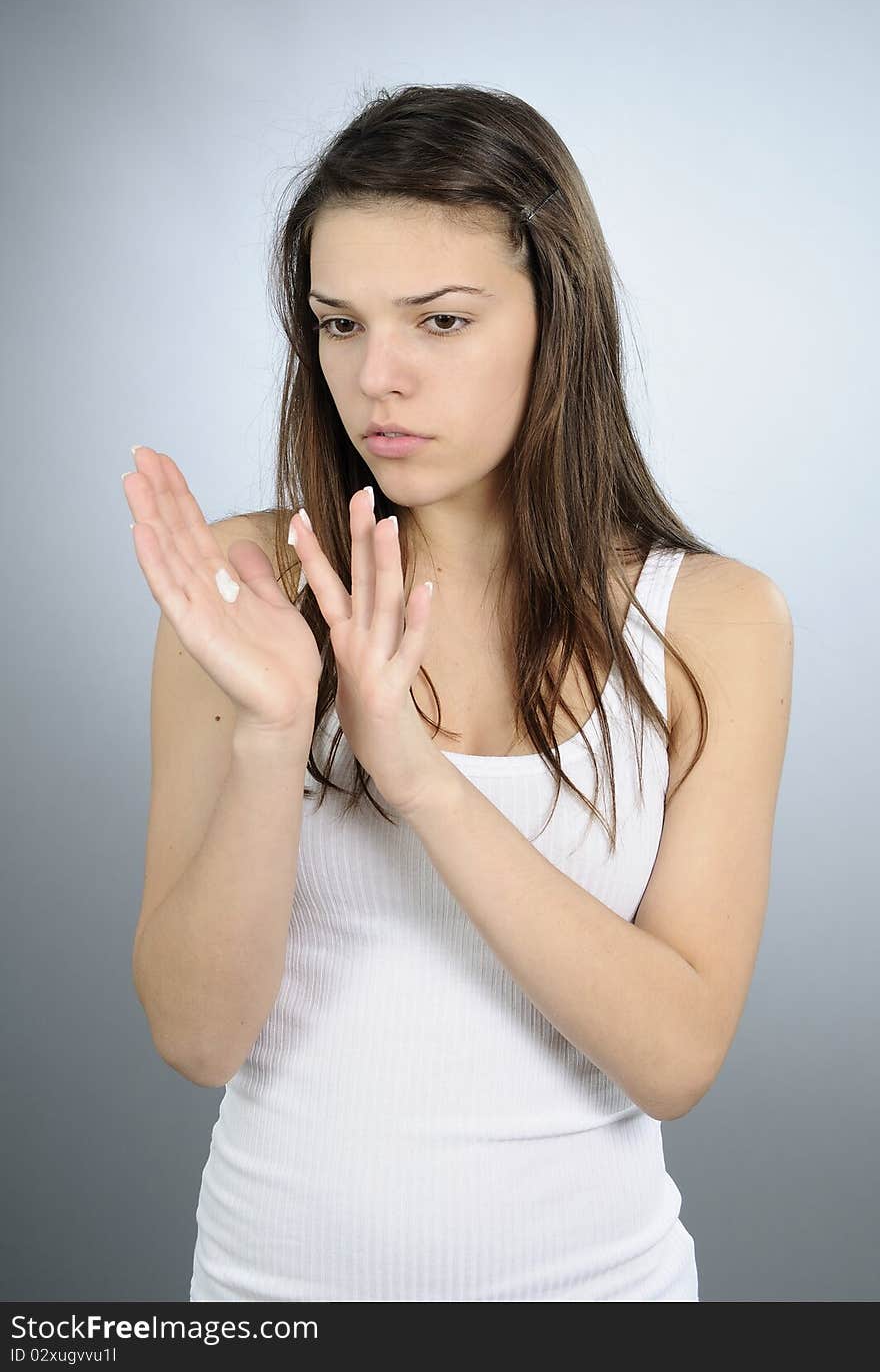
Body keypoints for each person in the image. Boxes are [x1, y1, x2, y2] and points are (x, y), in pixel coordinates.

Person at [124, 85, 793, 1302]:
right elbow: (196, 1037)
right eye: (337, 323)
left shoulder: (714, 622)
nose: (376, 377)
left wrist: (420, 779)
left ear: (557, 321)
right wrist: (280, 735)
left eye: (439, 321)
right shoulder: (247, 583)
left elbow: (675, 1058)